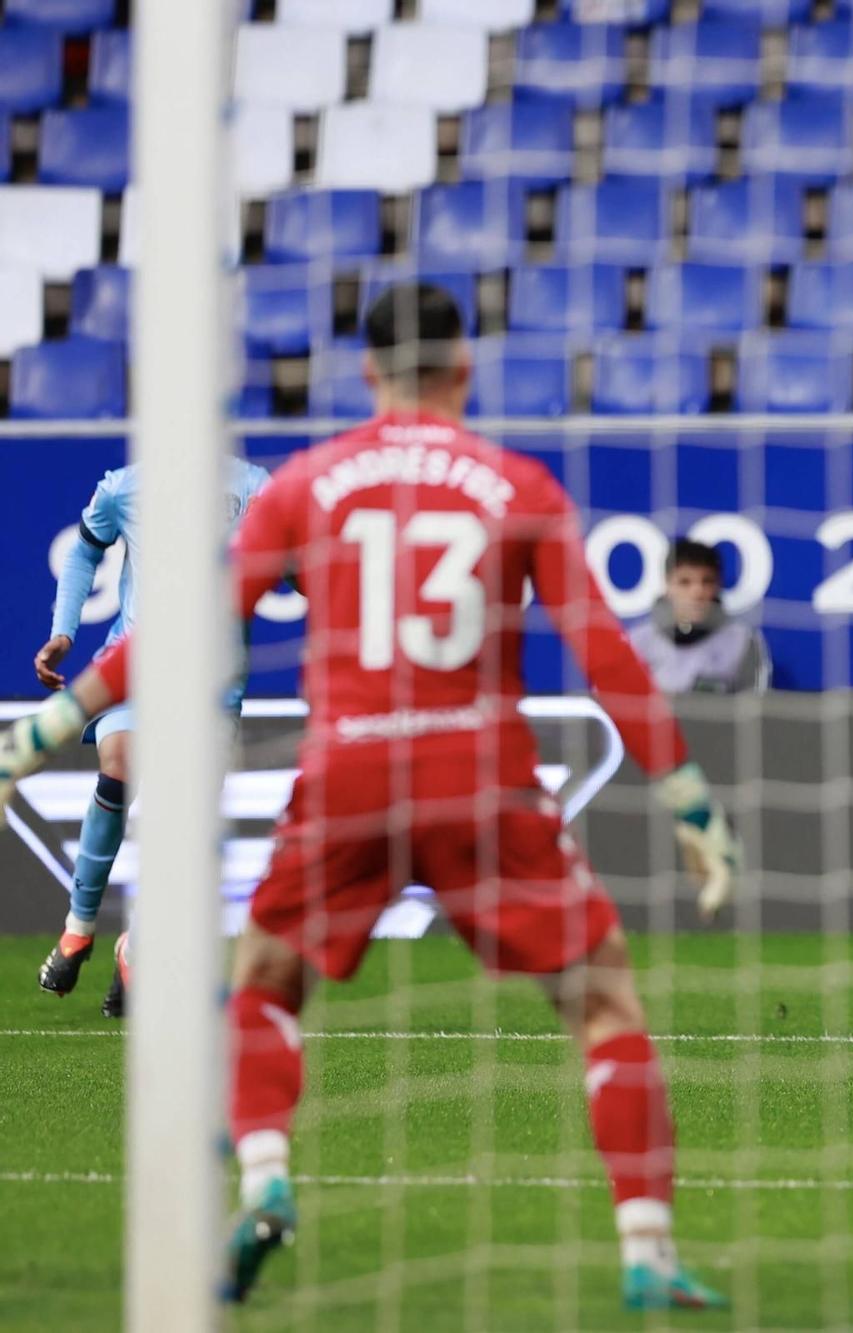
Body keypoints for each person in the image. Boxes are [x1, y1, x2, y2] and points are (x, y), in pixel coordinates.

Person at [0, 283, 741, 1311]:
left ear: (366, 375)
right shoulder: (511, 483)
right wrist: (693, 804)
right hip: (483, 780)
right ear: (464, 370)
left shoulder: (309, 483)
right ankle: (647, 1248)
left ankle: (263, 1182)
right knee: (604, 1001)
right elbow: (606, 654)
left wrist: (44, 728)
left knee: (262, 983)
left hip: (349, 774)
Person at [32, 455, 271, 1016]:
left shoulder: (254, 488)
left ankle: (134, 947)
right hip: (134, 665)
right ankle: (78, 927)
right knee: (120, 764)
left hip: (214, 683)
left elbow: (292, 569)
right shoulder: (124, 487)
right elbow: (85, 549)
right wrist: (63, 631)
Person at [628, 539, 769, 695]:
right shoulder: (638, 643)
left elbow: (754, 711)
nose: (697, 592)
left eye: (707, 582)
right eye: (685, 582)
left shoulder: (743, 642)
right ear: (667, 585)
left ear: (718, 586)